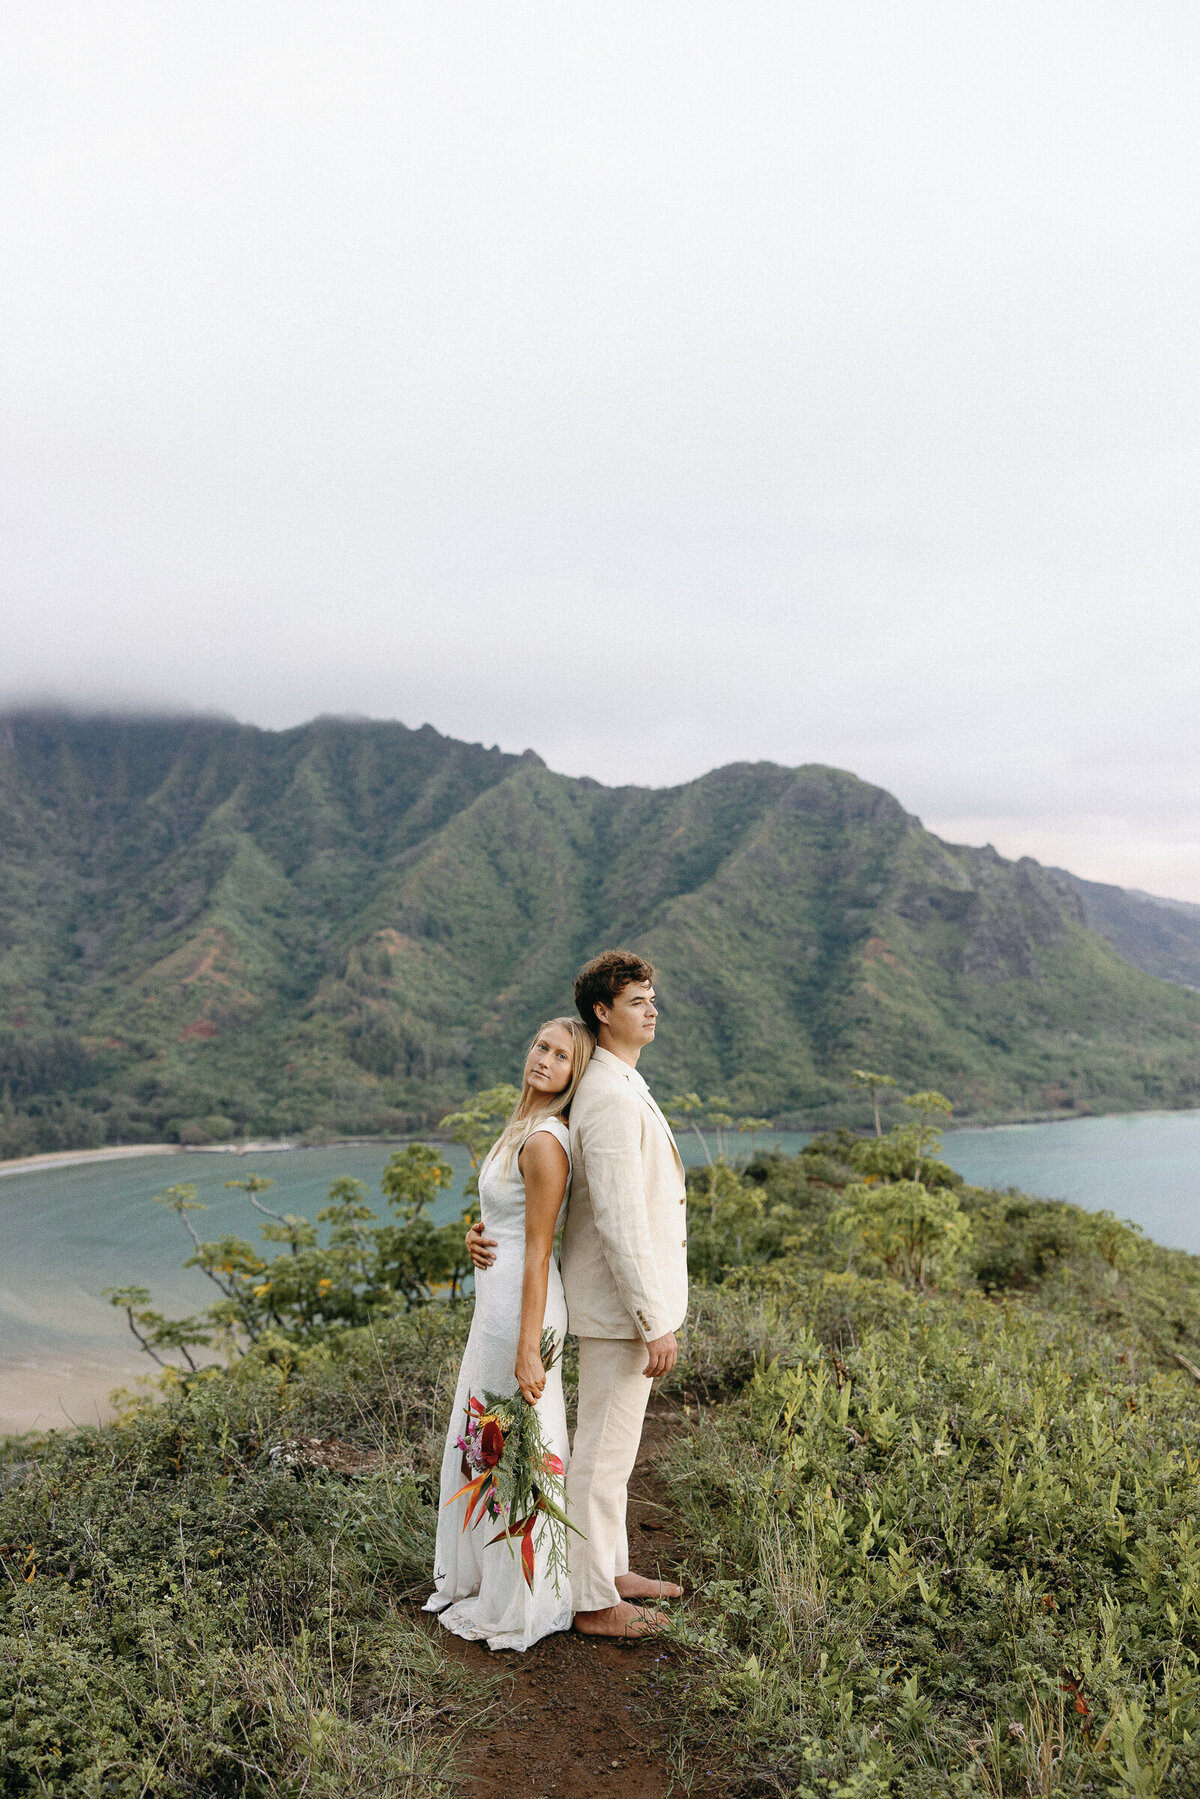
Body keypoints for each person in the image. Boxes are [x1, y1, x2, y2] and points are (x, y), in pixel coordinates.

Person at [425, 1016, 594, 1651]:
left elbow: (539, 1246)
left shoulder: (547, 1142)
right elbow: (507, 1217)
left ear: (574, 1076)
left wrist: (530, 1346)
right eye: (541, 1047)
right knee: (486, 1440)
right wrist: (476, 1232)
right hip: (495, 1306)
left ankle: (524, 1596)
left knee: (520, 1444)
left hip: (525, 1310)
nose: (545, 1060)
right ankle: (487, 1575)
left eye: (562, 1057)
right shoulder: (518, 1128)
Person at [560, 949, 688, 1639]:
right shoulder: (607, 1094)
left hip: (625, 1308)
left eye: (652, 996)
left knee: (616, 1448)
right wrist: (651, 1317)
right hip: (617, 1311)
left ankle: (609, 1567)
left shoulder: (622, 1082)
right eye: (637, 999)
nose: (651, 1007)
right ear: (603, 1012)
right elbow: (616, 1216)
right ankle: (590, 1599)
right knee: (601, 1452)